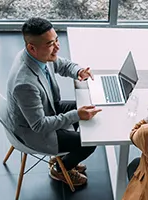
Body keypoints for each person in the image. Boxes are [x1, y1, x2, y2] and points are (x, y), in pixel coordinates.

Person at [6, 17, 101, 187]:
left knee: (89, 108)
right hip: (34, 133)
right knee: (91, 141)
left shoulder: (36, 56)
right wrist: (76, 115)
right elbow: (40, 126)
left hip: (48, 108)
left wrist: (78, 71)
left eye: (56, 39)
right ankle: (60, 168)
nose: (57, 46)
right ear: (32, 48)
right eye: (51, 44)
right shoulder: (24, 83)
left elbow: (61, 64)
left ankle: (66, 159)